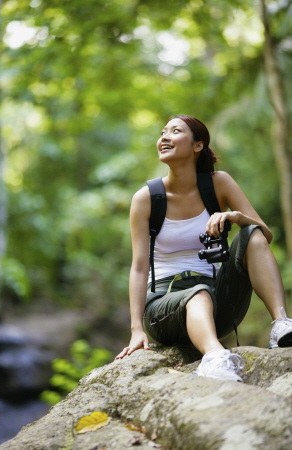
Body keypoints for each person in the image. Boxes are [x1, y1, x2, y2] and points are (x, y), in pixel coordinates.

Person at [115, 115, 292, 382]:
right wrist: (136, 329)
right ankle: (216, 358)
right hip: (163, 308)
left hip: (216, 302)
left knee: (251, 233)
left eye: (175, 131)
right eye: (162, 132)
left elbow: (263, 235)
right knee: (197, 293)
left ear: (197, 145)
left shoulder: (218, 183)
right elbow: (139, 268)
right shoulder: (146, 198)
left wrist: (235, 217)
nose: (164, 137)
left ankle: (281, 324)